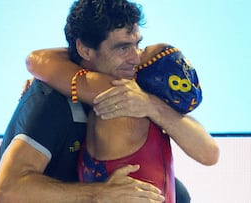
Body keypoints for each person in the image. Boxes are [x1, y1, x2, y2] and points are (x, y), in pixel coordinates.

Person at [0, 1, 168, 203]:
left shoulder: (131, 91)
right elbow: (7, 191)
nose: (136, 58)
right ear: (85, 50)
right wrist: (101, 193)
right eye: (122, 48)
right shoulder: (50, 100)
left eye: (137, 44)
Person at [27, 43, 204, 203]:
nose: (135, 54)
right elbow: (210, 153)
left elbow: (37, 60)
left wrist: (62, 74)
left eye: (142, 51)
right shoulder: (160, 118)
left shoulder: (115, 91)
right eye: (126, 47)